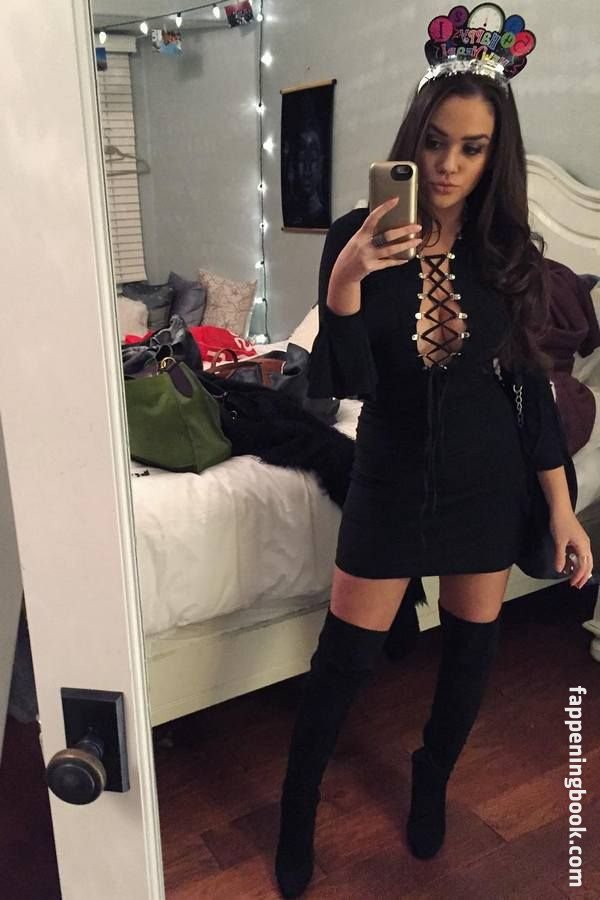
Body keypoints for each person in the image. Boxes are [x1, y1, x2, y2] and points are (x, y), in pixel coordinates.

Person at [274, 13, 595, 900]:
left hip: (487, 483)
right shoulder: (358, 231)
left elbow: (528, 389)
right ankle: (296, 813)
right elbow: (344, 381)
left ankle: (431, 777)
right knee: (341, 663)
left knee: (470, 657)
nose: (449, 164)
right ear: (413, 141)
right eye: (436, 142)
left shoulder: (508, 255)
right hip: (389, 471)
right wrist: (347, 278)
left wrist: (561, 507)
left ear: (496, 156)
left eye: (472, 148)